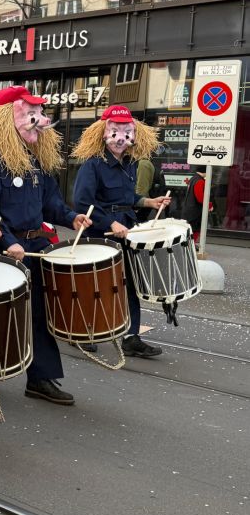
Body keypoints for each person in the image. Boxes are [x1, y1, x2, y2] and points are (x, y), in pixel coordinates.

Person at [0, 86, 92, 406]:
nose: (38, 122)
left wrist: (72, 217)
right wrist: (8, 242)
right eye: (29, 114)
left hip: (32, 249)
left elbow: (51, 204)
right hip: (1, 250)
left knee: (38, 314)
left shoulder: (37, 161)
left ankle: (40, 378)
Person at [72, 105, 170, 358]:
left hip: (127, 229)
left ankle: (131, 337)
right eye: (115, 131)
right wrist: (109, 223)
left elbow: (128, 198)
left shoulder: (131, 164)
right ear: (104, 133)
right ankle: (83, 333)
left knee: (130, 284)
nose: (121, 138)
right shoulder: (92, 165)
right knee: (97, 286)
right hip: (100, 234)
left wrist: (149, 202)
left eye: (126, 132)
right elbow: (82, 203)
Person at [181, 170, 211, 243]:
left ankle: (190, 245)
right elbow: (200, 198)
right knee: (195, 229)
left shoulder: (193, 178)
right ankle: (192, 246)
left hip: (188, 208)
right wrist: (209, 205)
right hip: (195, 210)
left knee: (190, 229)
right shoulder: (200, 181)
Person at [135, 156, 167, 223]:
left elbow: (141, 190)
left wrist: (134, 207)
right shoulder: (138, 163)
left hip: (140, 208)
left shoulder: (143, 164)